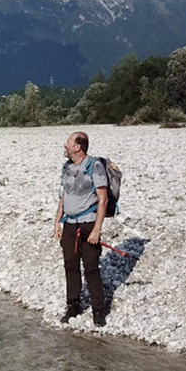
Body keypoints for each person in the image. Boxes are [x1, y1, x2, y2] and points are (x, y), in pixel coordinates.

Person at [54, 131, 108, 327]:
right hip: (69, 223)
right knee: (70, 265)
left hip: (88, 223)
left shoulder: (95, 166)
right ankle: (73, 305)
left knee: (91, 267)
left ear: (78, 146)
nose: (65, 144)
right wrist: (57, 221)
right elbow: (64, 196)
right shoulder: (67, 167)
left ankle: (99, 310)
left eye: (68, 142)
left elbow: (103, 199)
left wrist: (96, 229)